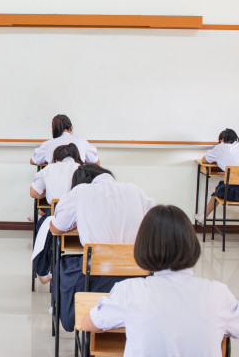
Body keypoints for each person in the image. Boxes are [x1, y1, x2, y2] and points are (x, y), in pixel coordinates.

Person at [81, 205, 239, 356]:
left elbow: (88, 323)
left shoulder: (129, 291)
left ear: (143, 246)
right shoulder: (219, 293)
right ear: (191, 243)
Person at [49, 164, 155, 332]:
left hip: (95, 277)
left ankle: (69, 314)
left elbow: (56, 228)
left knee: (62, 266)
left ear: (80, 181)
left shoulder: (81, 191)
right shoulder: (134, 190)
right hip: (137, 274)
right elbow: (155, 224)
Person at [30, 143, 83, 283]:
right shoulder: (83, 169)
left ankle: (42, 270)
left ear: (56, 158)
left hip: (56, 215)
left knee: (43, 224)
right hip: (81, 221)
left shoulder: (49, 169)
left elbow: (33, 193)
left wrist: (46, 191)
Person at [196, 128, 239, 225]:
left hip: (230, 193)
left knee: (219, 191)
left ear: (221, 140)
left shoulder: (221, 147)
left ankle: (203, 217)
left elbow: (204, 161)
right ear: (236, 139)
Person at [30, 114, 99, 165]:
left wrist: (48, 160)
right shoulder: (82, 142)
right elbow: (96, 162)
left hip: (55, 181)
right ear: (71, 128)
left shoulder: (47, 144)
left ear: (54, 130)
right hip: (77, 181)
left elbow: (33, 161)